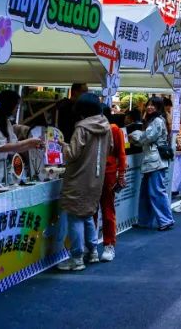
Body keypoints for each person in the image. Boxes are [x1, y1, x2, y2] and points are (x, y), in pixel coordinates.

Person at [57, 93, 112, 271]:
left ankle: (77, 258)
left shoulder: (81, 128)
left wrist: (63, 145)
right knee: (88, 214)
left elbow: (71, 154)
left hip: (78, 178)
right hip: (96, 178)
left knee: (75, 217)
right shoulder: (106, 127)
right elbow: (110, 148)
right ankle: (93, 251)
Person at [131, 97, 174, 231]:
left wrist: (133, 135)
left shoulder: (157, 121)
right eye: (148, 104)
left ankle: (166, 220)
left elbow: (146, 137)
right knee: (146, 193)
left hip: (156, 162)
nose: (149, 107)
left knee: (156, 191)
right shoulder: (154, 120)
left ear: (158, 107)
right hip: (152, 162)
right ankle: (144, 221)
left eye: (153, 105)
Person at [96, 106, 127, 262]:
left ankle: (109, 244)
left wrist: (121, 175)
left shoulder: (114, 129)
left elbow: (121, 154)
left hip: (108, 173)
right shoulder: (90, 128)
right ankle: (91, 246)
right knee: (91, 211)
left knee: (107, 210)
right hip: (93, 173)